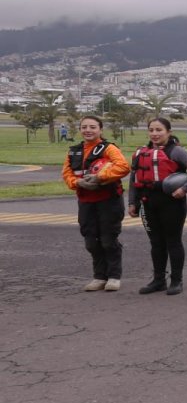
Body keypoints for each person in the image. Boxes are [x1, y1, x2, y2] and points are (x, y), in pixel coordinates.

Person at [127, 117, 187, 295]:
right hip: (148, 202)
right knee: (156, 243)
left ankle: (176, 280)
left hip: (171, 203)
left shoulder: (176, 151)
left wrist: (184, 189)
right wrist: (132, 202)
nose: (155, 134)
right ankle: (158, 280)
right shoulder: (140, 153)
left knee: (173, 242)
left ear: (168, 132)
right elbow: (134, 179)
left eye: (159, 130)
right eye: (151, 130)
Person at [62, 115, 130, 291]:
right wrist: (77, 183)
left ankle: (114, 276)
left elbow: (123, 166)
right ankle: (99, 276)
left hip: (109, 201)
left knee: (108, 239)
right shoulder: (73, 151)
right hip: (85, 202)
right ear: (80, 129)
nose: (88, 130)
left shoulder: (109, 148)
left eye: (92, 127)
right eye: (84, 127)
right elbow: (67, 173)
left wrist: (100, 177)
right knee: (91, 241)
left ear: (100, 129)